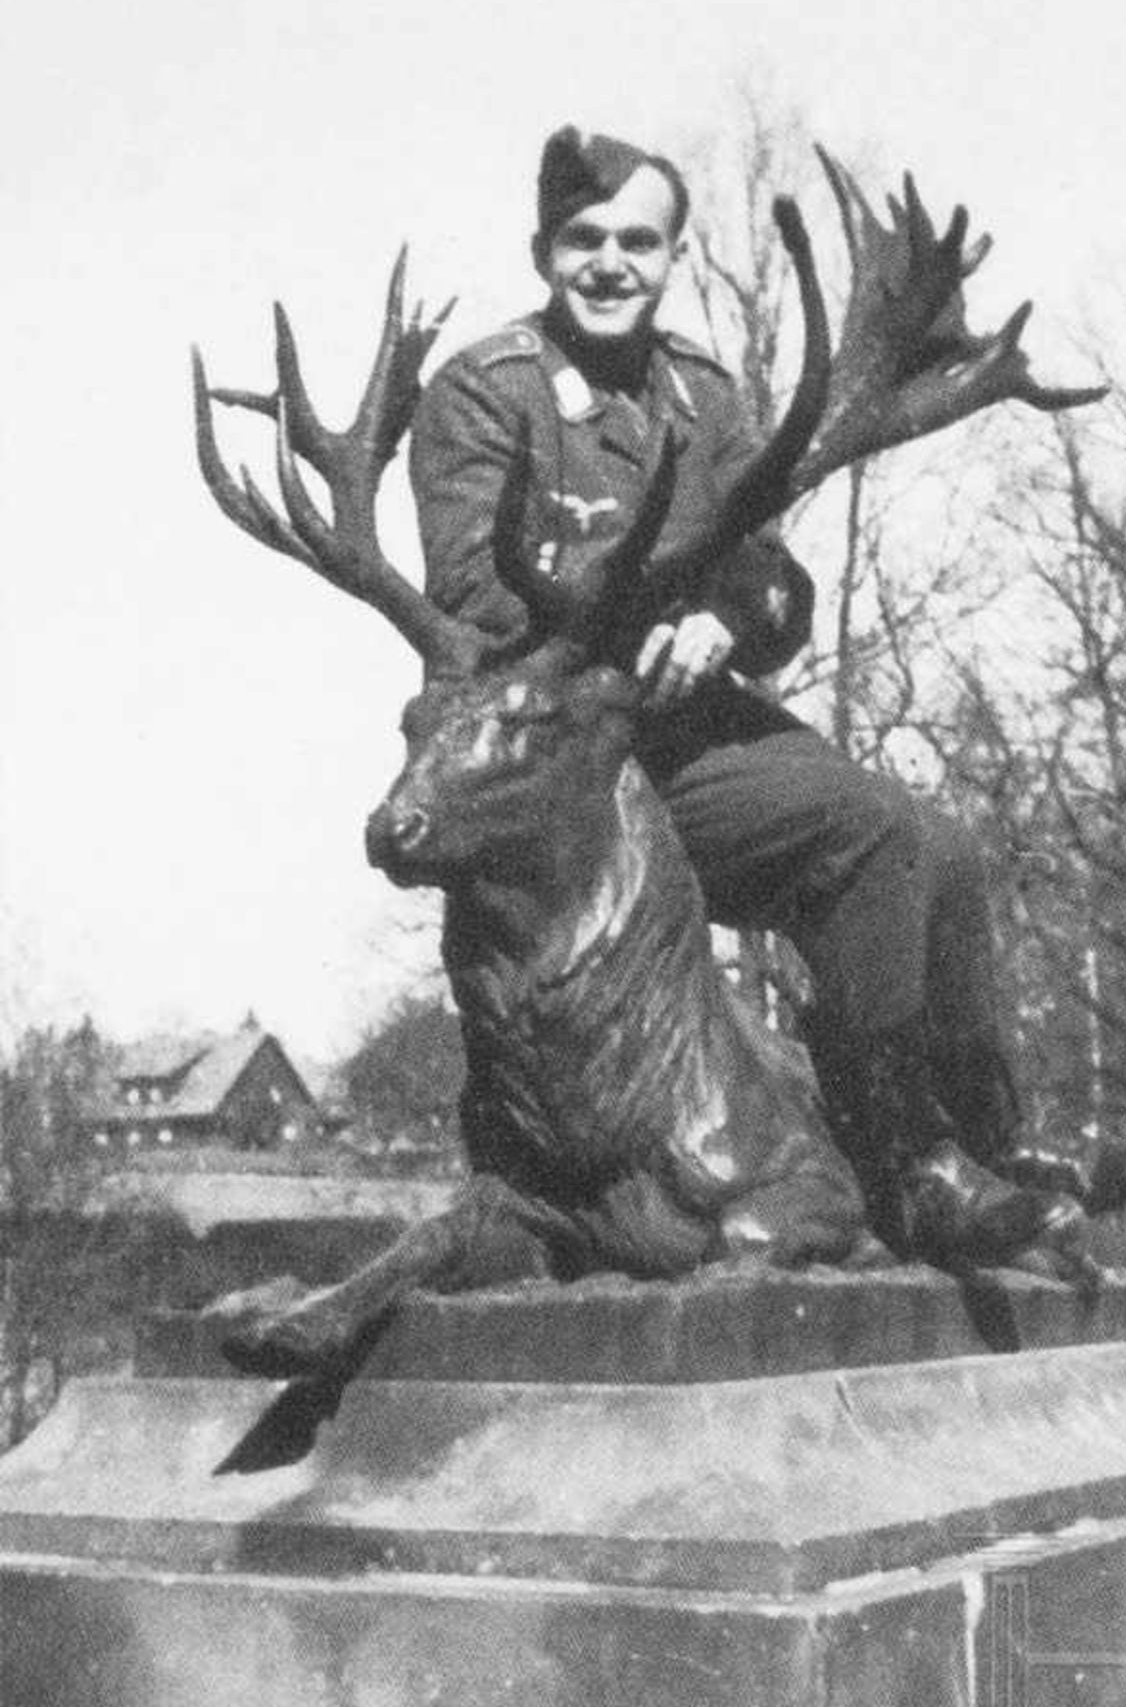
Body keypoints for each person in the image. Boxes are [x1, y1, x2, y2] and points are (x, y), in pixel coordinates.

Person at [411, 124, 1088, 1272]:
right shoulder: (485, 395)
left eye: (639, 239)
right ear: (543, 253)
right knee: (867, 833)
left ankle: (991, 1147)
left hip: (688, 738)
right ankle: (907, 1169)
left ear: (674, 254)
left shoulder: (702, 391)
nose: (610, 262)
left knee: (946, 848)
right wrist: (646, 617)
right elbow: (479, 601)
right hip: (568, 779)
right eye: (585, 240)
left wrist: (728, 617)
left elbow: (771, 580)